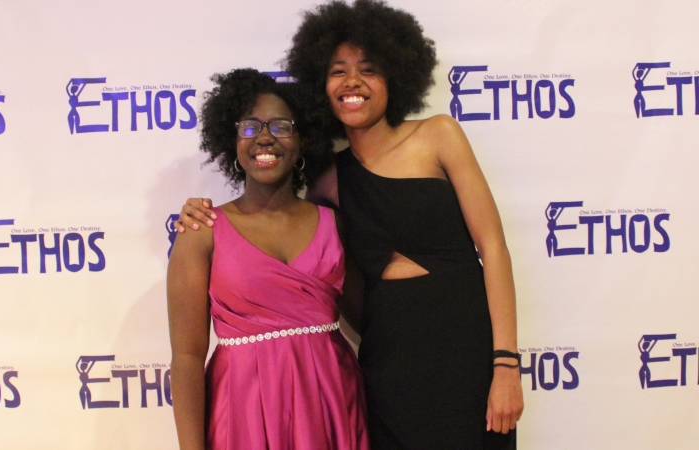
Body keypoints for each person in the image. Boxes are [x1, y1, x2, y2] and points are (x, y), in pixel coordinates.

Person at [177, 1, 524, 448]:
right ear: (323, 85)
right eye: (338, 70)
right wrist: (197, 214)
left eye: (369, 69)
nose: (353, 82)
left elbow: (492, 246)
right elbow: (311, 264)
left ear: (395, 76)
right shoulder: (326, 182)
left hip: (465, 347)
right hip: (387, 361)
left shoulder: (440, 134)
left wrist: (506, 363)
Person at [167, 68, 368, 450]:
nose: (264, 137)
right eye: (250, 127)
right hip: (244, 410)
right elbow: (188, 357)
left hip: (330, 403)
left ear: (303, 138)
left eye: (280, 126)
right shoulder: (202, 231)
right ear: (231, 140)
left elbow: (370, 322)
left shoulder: (334, 223)